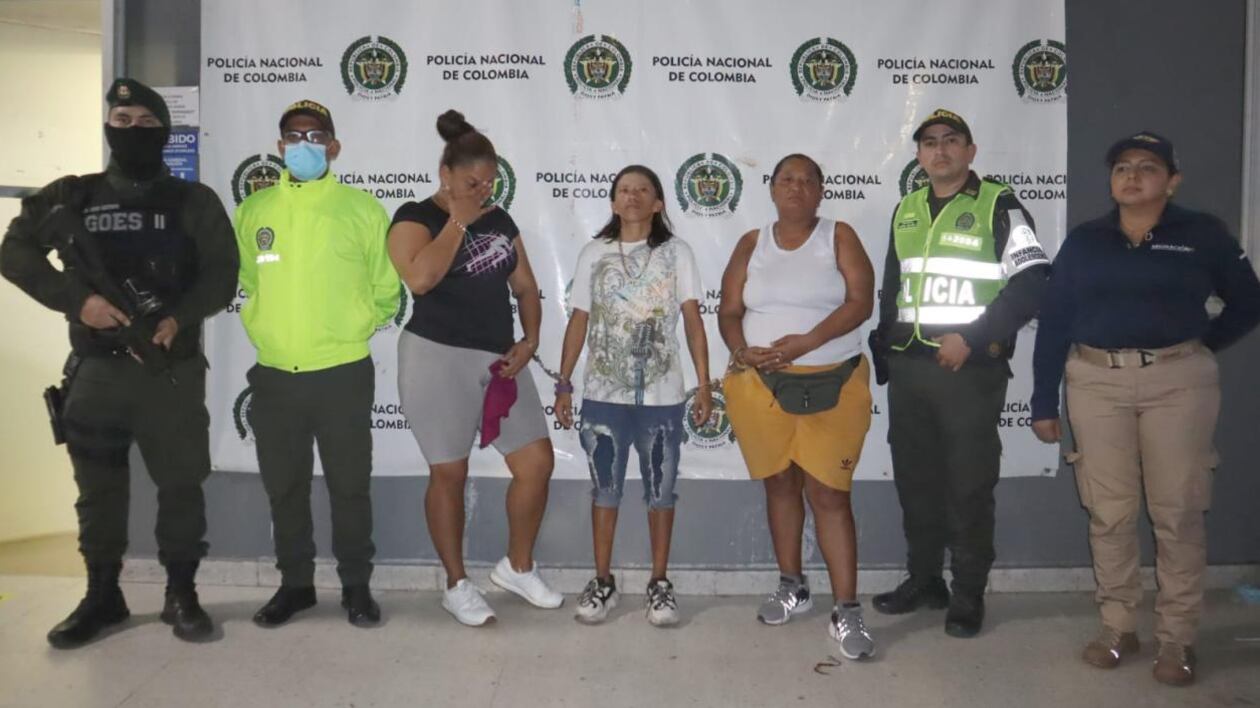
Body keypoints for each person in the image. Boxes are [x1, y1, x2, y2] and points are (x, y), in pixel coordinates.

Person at [0, 78, 238, 646]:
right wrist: (76, 301)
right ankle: (102, 596)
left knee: (181, 487)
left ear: (164, 131)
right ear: (109, 125)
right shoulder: (70, 196)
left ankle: (181, 595)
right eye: (122, 120)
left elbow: (222, 275)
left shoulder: (193, 201)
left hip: (168, 370)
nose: (131, 130)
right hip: (96, 373)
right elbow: (14, 249)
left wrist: (179, 317)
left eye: (145, 122)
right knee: (98, 492)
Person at [1030, 132, 1260, 686]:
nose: (1131, 177)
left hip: (1178, 383)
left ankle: (1177, 639)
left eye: (1147, 167)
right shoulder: (1086, 241)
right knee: (1109, 511)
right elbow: (1056, 319)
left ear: (1171, 179)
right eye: (1122, 168)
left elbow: (1249, 300)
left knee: (1177, 512)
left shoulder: (1202, 234)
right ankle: (1118, 626)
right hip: (1095, 382)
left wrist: (1200, 342)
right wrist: (1042, 398)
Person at [868, 109, 1049, 638]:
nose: (940, 150)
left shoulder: (1000, 204)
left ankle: (968, 594)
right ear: (919, 155)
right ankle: (925, 580)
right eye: (929, 142)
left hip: (968, 374)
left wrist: (971, 339)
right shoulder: (907, 209)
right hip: (912, 371)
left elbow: (1033, 281)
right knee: (916, 482)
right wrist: (888, 354)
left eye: (951, 141)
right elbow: (892, 289)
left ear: (971, 151)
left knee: (968, 486)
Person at [387, 110, 559, 626]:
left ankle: (517, 566)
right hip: (435, 356)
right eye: (471, 181)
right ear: (446, 174)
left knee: (536, 463)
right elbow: (420, 279)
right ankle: (456, 584)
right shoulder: (415, 217)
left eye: (489, 182)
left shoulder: (501, 220)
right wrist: (458, 219)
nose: (482, 189)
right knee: (449, 473)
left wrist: (529, 340)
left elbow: (525, 287)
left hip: (498, 360)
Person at [233, 99, 401, 628]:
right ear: (279, 146)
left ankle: (356, 587)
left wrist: (351, 328)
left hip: (342, 372)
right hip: (276, 373)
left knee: (349, 485)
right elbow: (251, 285)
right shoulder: (254, 212)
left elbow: (386, 290)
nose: (303, 145)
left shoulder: (363, 210)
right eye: (293, 136)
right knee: (284, 485)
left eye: (315, 136)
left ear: (334, 146)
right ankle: (296, 586)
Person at [718, 153, 877, 659]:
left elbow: (861, 303)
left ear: (821, 190)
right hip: (760, 387)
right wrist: (740, 349)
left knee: (830, 495)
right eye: (787, 179)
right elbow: (729, 309)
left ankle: (848, 610)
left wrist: (804, 344)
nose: (796, 187)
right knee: (780, 485)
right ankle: (792, 586)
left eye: (807, 180)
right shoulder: (752, 243)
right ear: (771, 189)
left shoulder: (840, 235)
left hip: (834, 382)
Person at [553, 165, 712, 626]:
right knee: (605, 490)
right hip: (603, 396)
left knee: (661, 492)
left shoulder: (677, 252)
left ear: (659, 202)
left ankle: (659, 583)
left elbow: (694, 322)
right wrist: (564, 382)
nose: (633, 197)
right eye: (624, 190)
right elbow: (579, 320)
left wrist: (702, 384)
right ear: (613, 201)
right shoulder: (593, 253)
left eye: (643, 190)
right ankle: (602, 581)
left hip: (662, 397)